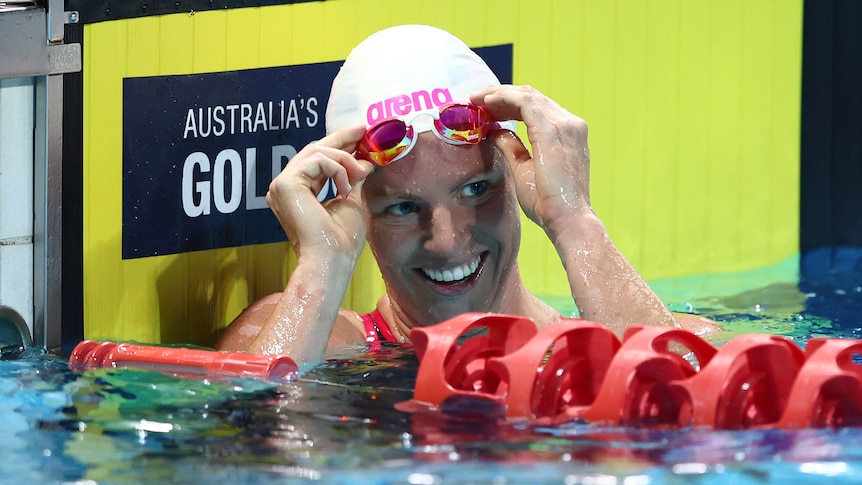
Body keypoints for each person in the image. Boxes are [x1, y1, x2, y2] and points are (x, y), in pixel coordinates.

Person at [216, 25, 718, 363]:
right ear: (357, 211)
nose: (447, 241)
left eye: (475, 189)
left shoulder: (658, 334)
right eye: (403, 208)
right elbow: (242, 450)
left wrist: (573, 219)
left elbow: (684, 417)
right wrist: (320, 266)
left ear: (520, 175)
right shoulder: (311, 340)